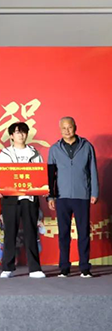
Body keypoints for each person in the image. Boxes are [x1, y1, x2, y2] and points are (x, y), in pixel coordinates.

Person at [47, 117, 99, 278]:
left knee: (83, 232)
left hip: (82, 196)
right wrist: (50, 196)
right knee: (63, 233)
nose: (67, 130)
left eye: (69, 127)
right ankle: (64, 267)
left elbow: (93, 170)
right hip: (61, 197)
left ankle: (85, 267)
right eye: (63, 128)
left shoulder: (87, 146)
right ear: (60, 129)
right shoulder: (54, 149)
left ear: (75, 127)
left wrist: (94, 192)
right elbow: (50, 175)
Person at [0, 122, 45, 279]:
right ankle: (7, 267)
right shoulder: (5, 154)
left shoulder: (35, 153)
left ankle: (35, 268)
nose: (21, 135)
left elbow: (41, 174)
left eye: (23, 132)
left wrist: (43, 187)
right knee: (10, 233)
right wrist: (0, 189)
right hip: (11, 200)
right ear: (11, 136)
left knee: (31, 232)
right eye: (17, 132)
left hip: (29, 198)